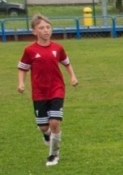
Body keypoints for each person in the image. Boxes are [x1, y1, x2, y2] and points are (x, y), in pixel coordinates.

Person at [17, 14, 79, 166]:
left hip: (56, 89)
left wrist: (72, 77)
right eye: (41, 28)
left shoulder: (58, 48)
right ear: (34, 31)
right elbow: (22, 68)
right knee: (43, 126)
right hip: (39, 92)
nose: (45, 31)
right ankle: (47, 136)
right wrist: (21, 83)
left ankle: (53, 155)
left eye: (48, 27)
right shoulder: (29, 50)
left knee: (54, 122)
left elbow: (66, 63)